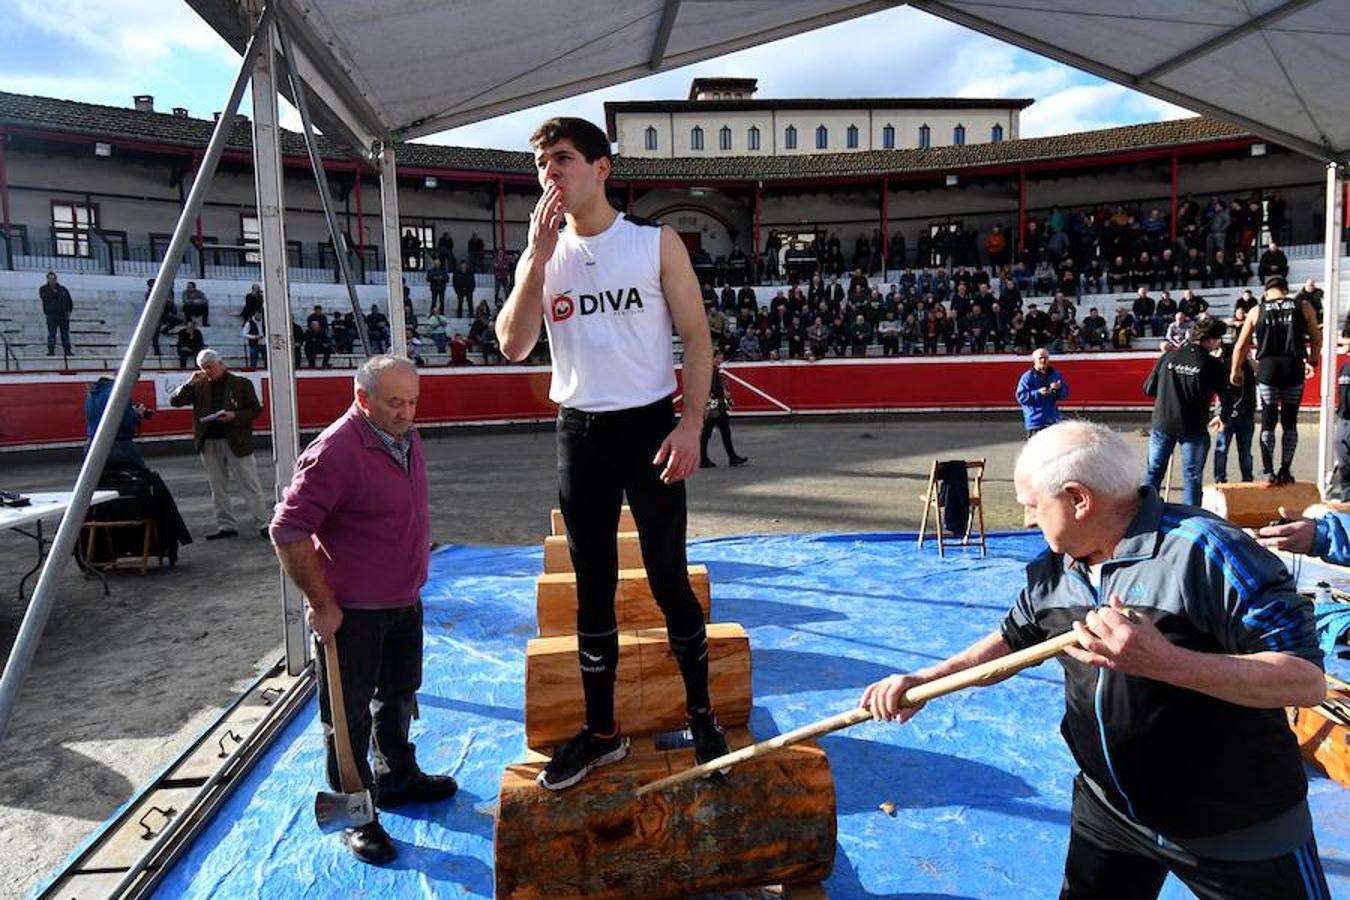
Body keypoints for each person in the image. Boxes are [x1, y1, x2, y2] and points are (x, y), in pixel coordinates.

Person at [861, 421, 1329, 900]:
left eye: (1032, 506)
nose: (1026, 521)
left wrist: (1164, 661)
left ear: (1078, 498)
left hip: (1236, 827)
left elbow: (1305, 681)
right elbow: (1010, 641)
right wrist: (926, 679)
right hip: (1109, 812)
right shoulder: (1057, 566)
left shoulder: (1208, 552)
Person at [495, 116, 727, 790]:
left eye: (563, 159)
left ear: (602, 169)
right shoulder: (542, 257)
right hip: (581, 434)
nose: (550, 174)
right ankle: (601, 734)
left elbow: (698, 339)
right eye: (541, 165)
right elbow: (512, 345)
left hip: (651, 428)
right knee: (591, 590)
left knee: (666, 579)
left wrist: (689, 426)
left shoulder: (655, 244)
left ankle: (703, 713)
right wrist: (536, 259)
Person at [271, 355, 456, 865]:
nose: (406, 413)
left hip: (403, 599)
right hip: (353, 610)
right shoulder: (334, 452)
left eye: (414, 401)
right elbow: (287, 530)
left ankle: (398, 775)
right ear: (362, 398)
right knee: (346, 719)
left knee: (398, 692)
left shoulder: (404, 435)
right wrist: (322, 602)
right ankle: (356, 814)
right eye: (395, 403)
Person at [169, 349, 269, 539]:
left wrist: (235, 416)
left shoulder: (241, 383)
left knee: (249, 483)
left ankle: (263, 522)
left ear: (221, 364)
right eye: (204, 368)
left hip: (236, 439)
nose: (208, 371)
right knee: (217, 486)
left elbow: (256, 410)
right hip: (209, 440)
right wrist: (189, 383)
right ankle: (226, 525)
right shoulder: (198, 385)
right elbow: (175, 401)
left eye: (211, 367)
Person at [1229, 275, 1321, 484]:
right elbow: (1316, 338)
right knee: (1290, 421)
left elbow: (1241, 345)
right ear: (1286, 290)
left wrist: (1235, 370)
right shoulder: (1304, 306)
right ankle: (1286, 471)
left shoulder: (1256, 310)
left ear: (1266, 291)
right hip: (1294, 368)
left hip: (1268, 369)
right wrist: (1313, 362)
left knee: (1268, 421)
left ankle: (1268, 471)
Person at [1142, 317, 1228, 506]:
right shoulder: (1213, 365)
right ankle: (1191, 519)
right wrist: (1222, 416)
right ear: (1210, 339)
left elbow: (1148, 389)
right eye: (1218, 338)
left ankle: (1144, 514)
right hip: (1193, 426)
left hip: (1163, 422)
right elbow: (1226, 397)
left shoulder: (1167, 357)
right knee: (1192, 477)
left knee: (1153, 472)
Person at [1213, 337, 1256, 484]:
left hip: (1244, 412)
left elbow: (1260, 374)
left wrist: (1249, 359)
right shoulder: (1221, 365)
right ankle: (1221, 478)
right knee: (1224, 448)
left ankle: (1246, 478)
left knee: (1241, 451)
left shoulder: (1248, 366)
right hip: (1227, 414)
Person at [84, 376, 149, 470]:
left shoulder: (92, 394)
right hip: (118, 444)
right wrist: (138, 414)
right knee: (140, 475)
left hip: (93, 444)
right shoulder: (119, 392)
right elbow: (126, 420)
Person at [699, 350, 747, 468]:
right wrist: (724, 397)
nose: (721, 360)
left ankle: (729, 457)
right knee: (712, 432)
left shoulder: (709, 370)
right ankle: (706, 458)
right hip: (714, 404)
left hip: (712, 404)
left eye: (721, 358)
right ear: (713, 358)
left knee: (714, 432)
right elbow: (714, 389)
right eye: (719, 358)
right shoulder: (712, 371)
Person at [1015, 348, 1068, 438]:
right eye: (1040, 358)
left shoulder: (1055, 374)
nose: (1043, 360)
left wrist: (1058, 389)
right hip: (1036, 422)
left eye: (1046, 358)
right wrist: (1038, 393)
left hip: (1053, 420)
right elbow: (1021, 397)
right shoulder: (1027, 377)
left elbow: (1064, 394)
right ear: (1034, 360)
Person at [39, 271, 73, 357]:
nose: (52, 280)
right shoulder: (43, 289)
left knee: (65, 334)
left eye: (53, 279)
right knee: (52, 334)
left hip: (63, 315)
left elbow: (69, 300)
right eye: (50, 279)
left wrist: (69, 311)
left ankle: (67, 350)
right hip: (51, 315)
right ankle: (51, 350)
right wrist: (53, 292)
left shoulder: (63, 289)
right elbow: (45, 298)